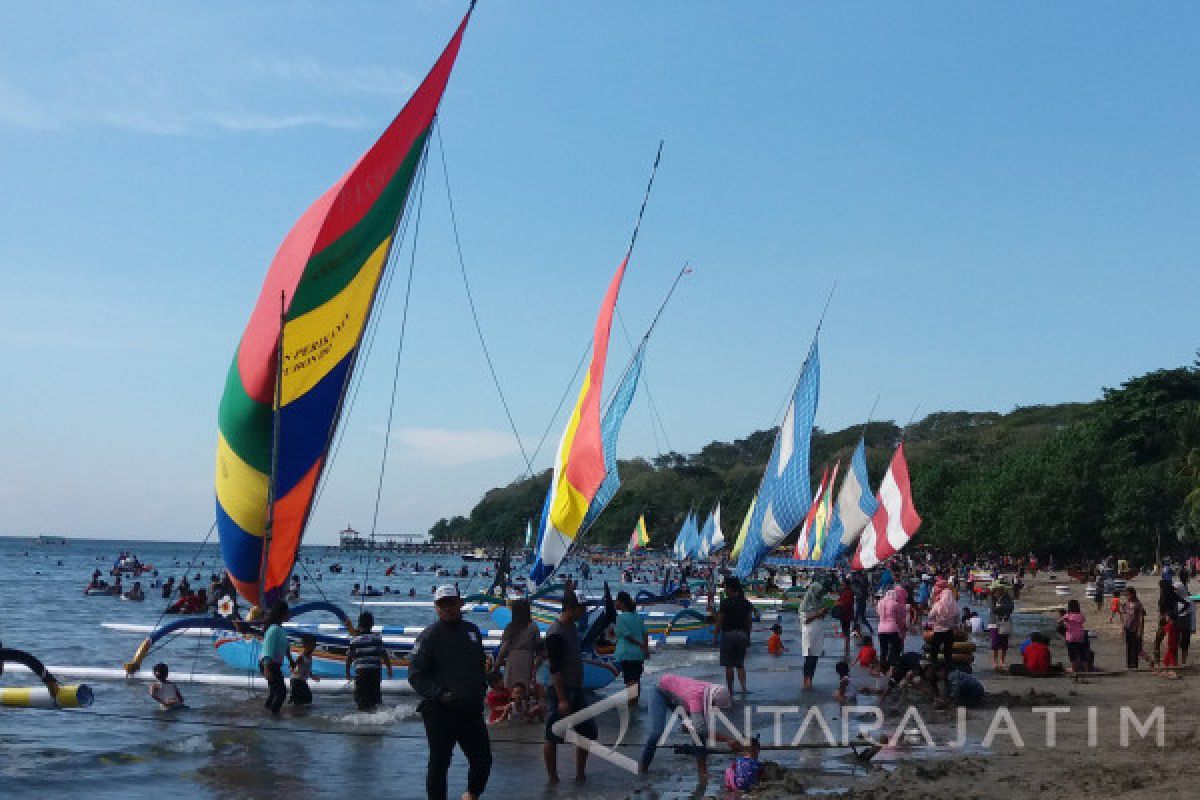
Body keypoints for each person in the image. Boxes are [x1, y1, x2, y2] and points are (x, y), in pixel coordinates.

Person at [408, 584, 491, 800]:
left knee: (483, 759)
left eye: (451, 603)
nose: (448, 608)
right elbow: (415, 676)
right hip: (440, 711)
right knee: (440, 762)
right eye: (442, 605)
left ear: (460, 603)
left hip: (470, 710)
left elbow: (479, 664)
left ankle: (472, 794)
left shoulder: (472, 631)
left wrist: (483, 688)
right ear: (436, 607)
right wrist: (440, 694)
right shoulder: (429, 636)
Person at [639, 672, 737, 784]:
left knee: (698, 733)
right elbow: (700, 728)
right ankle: (642, 769)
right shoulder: (696, 697)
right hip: (660, 691)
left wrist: (689, 725)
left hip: (680, 696)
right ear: (712, 701)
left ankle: (703, 772)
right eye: (715, 706)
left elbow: (698, 730)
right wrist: (727, 739)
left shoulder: (712, 693)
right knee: (657, 733)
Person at [542, 591, 596, 784]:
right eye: (581, 609)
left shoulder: (572, 627)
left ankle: (580, 775)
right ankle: (553, 779)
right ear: (570, 609)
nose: (583, 613)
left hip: (576, 687)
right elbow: (554, 668)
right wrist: (562, 699)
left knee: (588, 731)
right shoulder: (555, 633)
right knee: (553, 735)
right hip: (561, 690)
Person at [714, 577, 753, 696]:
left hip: (728, 635)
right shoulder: (745, 603)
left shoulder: (725, 602)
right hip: (742, 635)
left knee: (729, 665)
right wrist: (748, 636)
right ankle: (744, 688)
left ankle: (730, 691)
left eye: (725, 587)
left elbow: (720, 621)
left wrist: (715, 635)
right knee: (740, 664)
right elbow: (749, 622)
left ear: (730, 588)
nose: (725, 589)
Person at [346, 611, 392, 711]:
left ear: (359, 625)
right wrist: (389, 669)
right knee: (375, 697)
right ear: (372, 625)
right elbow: (385, 655)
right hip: (375, 673)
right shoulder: (377, 638)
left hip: (361, 674)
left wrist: (347, 672)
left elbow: (349, 658)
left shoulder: (355, 640)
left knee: (361, 699)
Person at [495, 599, 541, 691]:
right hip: (527, 659)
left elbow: (503, 649)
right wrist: (535, 667)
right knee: (525, 688)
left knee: (511, 689)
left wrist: (497, 664)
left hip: (512, 659)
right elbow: (539, 648)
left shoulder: (511, 627)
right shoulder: (533, 627)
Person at [613, 591, 648, 703]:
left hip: (626, 653)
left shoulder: (621, 618)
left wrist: (640, 644)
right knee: (636, 679)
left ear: (622, 603)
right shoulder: (638, 617)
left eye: (617, 601)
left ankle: (632, 708)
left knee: (629, 680)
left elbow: (627, 636)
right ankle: (635, 703)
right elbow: (645, 634)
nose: (615, 603)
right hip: (639, 654)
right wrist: (645, 648)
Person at [259, 602, 292, 713]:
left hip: (274, 664)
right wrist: (267, 669)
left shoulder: (280, 629)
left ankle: (268, 711)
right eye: (288, 612)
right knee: (281, 692)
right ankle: (274, 715)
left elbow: (286, 647)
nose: (289, 614)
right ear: (282, 614)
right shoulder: (273, 630)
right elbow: (268, 650)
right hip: (268, 664)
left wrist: (291, 661)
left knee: (274, 691)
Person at [876, 586, 906, 668]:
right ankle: (891, 666)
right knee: (894, 648)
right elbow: (899, 618)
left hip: (881, 629)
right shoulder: (895, 604)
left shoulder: (880, 603)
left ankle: (882, 667)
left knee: (883, 649)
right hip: (892, 629)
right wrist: (902, 628)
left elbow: (878, 614)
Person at [801, 602, 828, 690]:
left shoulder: (819, 603)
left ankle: (810, 680)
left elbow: (821, 618)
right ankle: (806, 680)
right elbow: (805, 621)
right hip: (809, 635)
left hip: (818, 634)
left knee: (815, 658)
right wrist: (818, 614)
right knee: (809, 658)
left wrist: (823, 612)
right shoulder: (805, 605)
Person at [1122, 587, 1147, 670]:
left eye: (1128, 594)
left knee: (1135, 648)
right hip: (1128, 628)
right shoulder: (1126, 604)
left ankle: (1135, 665)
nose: (1127, 596)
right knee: (1129, 647)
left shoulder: (1138, 604)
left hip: (1135, 629)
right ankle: (1129, 665)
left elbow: (1141, 618)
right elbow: (1125, 616)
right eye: (1126, 595)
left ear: (1133, 594)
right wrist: (1123, 628)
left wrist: (1140, 630)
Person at [1060, 599, 1088, 673]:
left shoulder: (1067, 616)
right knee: (1082, 654)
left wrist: (1065, 622)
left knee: (1072, 655)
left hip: (1071, 638)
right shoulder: (1080, 615)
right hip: (1080, 637)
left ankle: (1074, 669)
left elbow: (1060, 621)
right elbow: (1084, 620)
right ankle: (1086, 669)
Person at [290, 634, 316, 706]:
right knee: (304, 700)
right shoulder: (301, 656)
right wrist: (293, 668)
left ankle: (298, 712)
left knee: (307, 699)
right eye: (312, 645)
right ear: (305, 645)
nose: (314, 647)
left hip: (301, 681)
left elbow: (306, 668)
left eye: (314, 645)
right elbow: (294, 666)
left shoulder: (309, 656)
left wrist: (312, 676)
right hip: (296, 681)